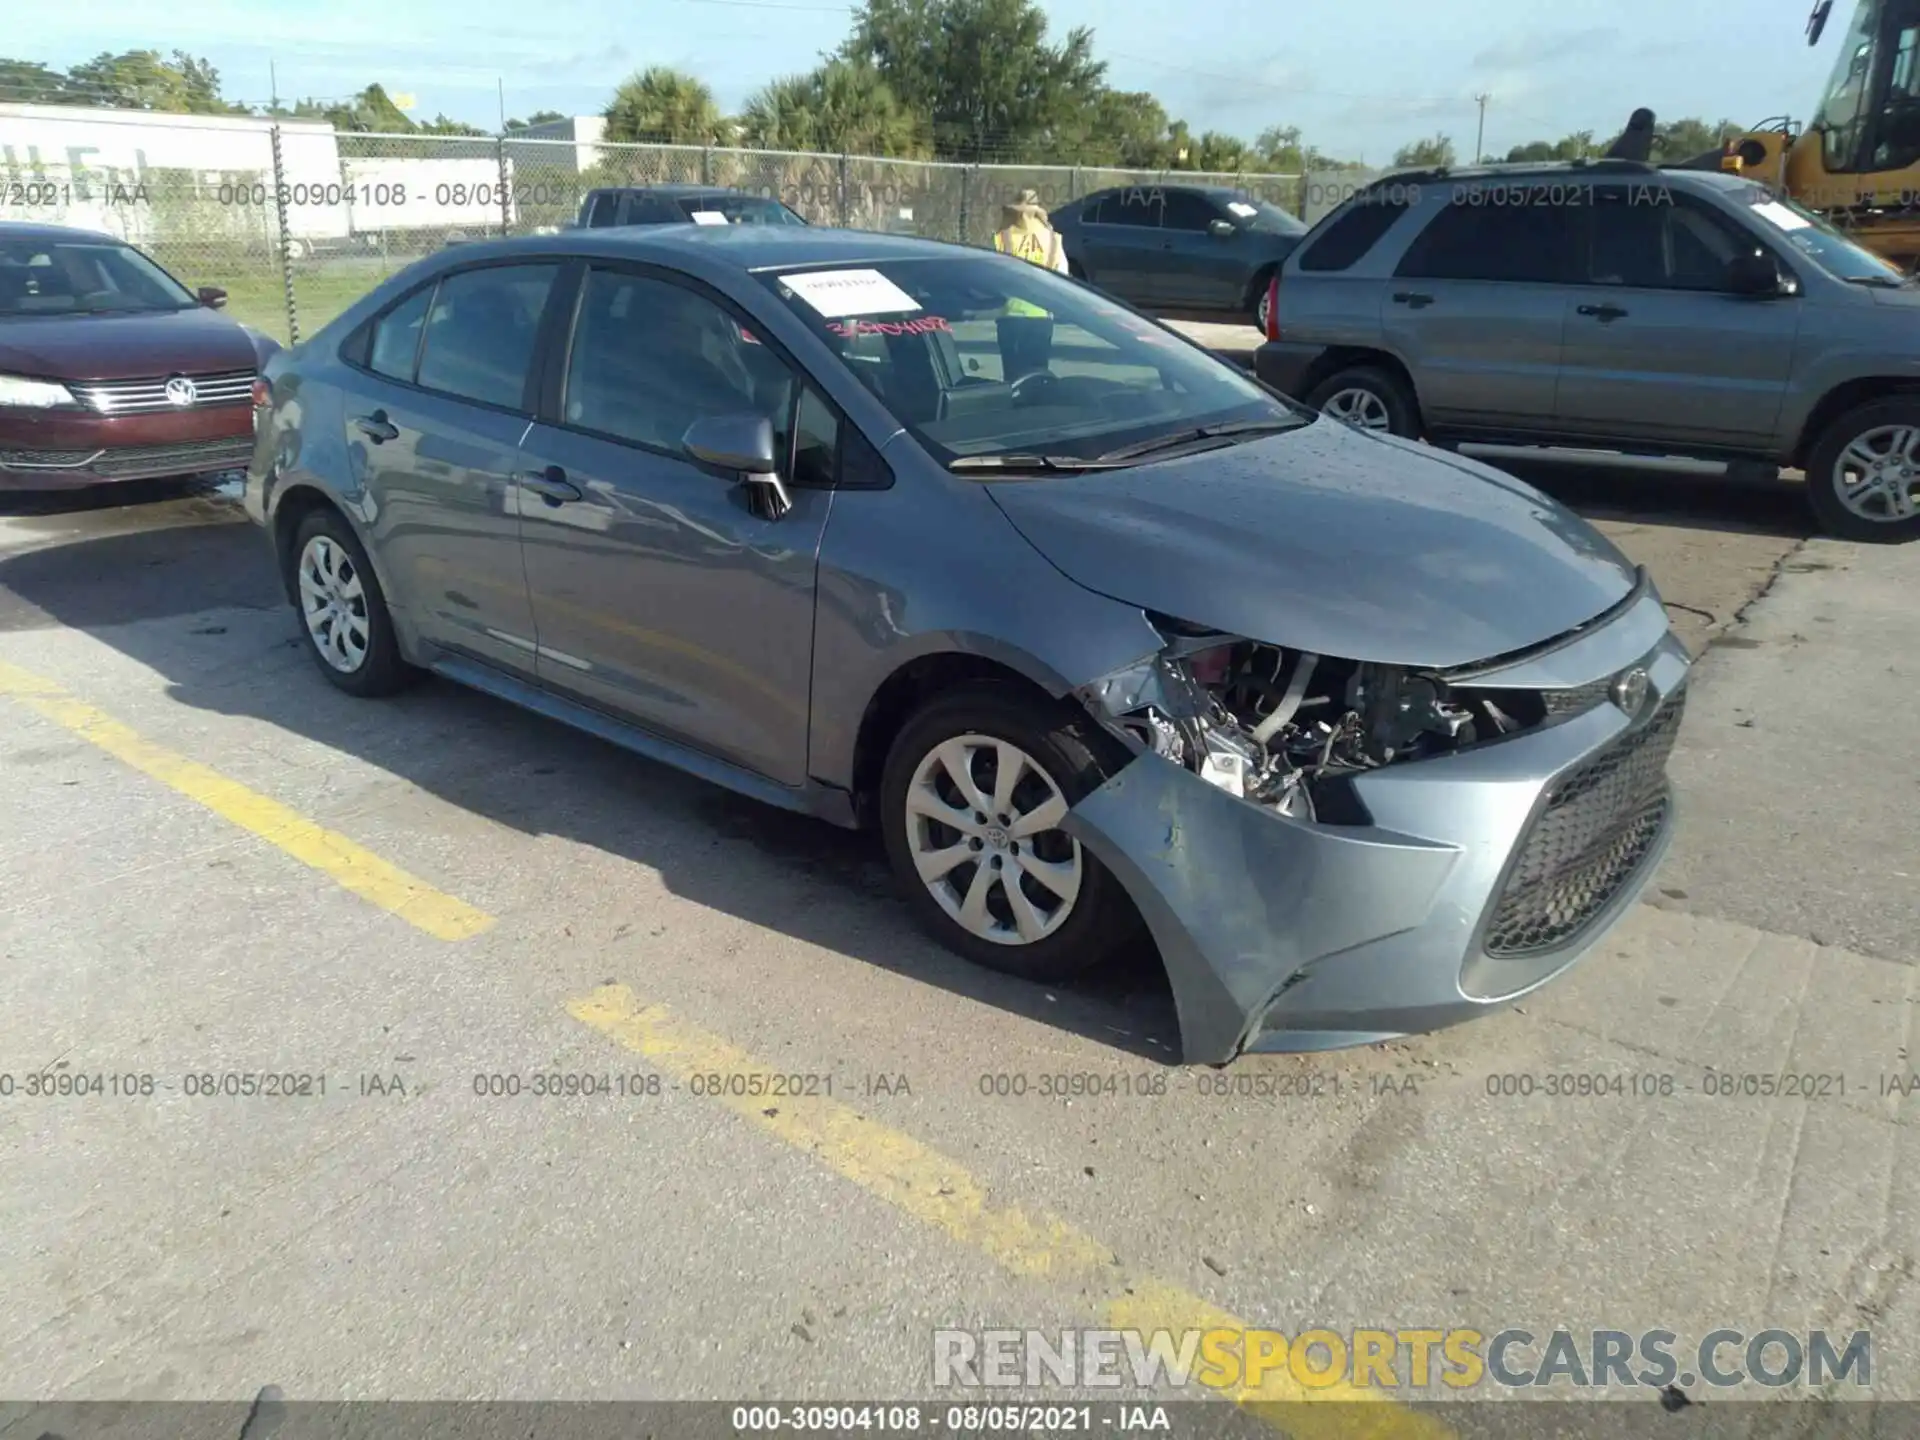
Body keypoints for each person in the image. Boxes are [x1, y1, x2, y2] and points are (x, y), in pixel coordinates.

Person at [990, 189, 1069, 383]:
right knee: (1037, 376)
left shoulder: (1002, 237)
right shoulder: (1052, 239)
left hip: (1010, 318)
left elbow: (991, 279)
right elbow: (1063, 277)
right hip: (1041, 318)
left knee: (1012, 379)